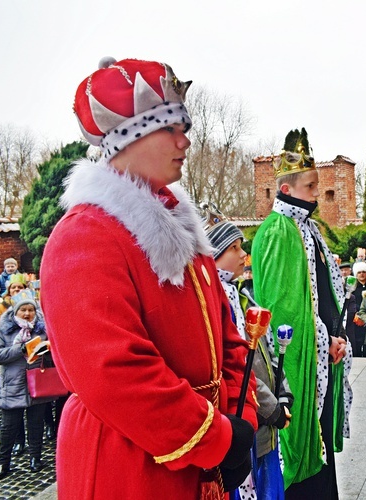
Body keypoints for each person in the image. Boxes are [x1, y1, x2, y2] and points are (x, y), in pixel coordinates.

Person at [39, 57, 257, 498]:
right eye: (171, 129)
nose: (186, 141)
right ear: (129, 136)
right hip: (129, 467)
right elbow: (113, 374)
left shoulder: (178, 225)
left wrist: (240, 418)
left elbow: (228, 336)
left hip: (201, 458)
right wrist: (215, 436)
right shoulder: (84, 235)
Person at [252, 144, 352, 499]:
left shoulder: (307, 230)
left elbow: (322, 295)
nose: (316, 195)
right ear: (286, 190)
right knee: (302, 452)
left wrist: (335, 338)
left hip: (321, 354)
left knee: (320, 450)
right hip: (299, 364)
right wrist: (323, 342)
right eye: (310, 187)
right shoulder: (279, 232)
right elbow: (285, 314)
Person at [207, 220, 292, 500]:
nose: (244, 254)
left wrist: (283, 391)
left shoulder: (243, 297)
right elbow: (238, 365)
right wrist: (271, 408)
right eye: (234, 248)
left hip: (264, 414)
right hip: (245, 416)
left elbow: (264, 353)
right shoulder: (216, 299)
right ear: (214, 255)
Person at [0, 290, 50, 479]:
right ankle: (3, 463)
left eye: (31, 309)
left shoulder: (42, 330)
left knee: (36, 424)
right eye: (23, 310)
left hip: (37, 383)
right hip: (12, 385)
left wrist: (46, 351)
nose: (27, 313)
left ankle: (35, 458)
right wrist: (21, 348)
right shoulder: (4, 330)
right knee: (9, 427)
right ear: (15, 312)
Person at [350, 262, 366, 358]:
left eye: (364, 272)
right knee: (357, 338)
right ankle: (357, 355)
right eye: (359, 272)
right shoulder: (353, 287)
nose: (361, 274)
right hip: (356, 315)